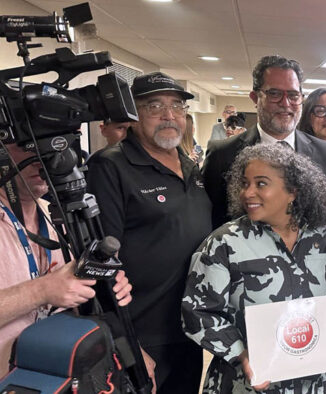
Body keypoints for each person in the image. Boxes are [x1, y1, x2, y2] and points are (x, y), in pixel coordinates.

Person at [182, 144, 326, 394]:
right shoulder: (224, 243)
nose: (248, 193)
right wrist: (241, 354)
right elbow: (197, 312)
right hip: (245, 384)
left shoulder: (325, 238)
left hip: (312, 383)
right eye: (244, 184)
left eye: (261, 184)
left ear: (293, 191)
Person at [86, 71, 212, 393]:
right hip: (142, 334)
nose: (169, 115)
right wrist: (128, 344)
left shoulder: (190, 167)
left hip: (187, 326)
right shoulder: (110, 166)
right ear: (134, 115)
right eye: (154, 106)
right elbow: (100, 264)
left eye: (177, 106)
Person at [0, 142, 134, 376]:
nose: (42, 159)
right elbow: (46, 290)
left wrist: (103, 285)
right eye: (26, 147)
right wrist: (40, 291)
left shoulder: (57, 216)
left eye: (51, 147)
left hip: (59, 375)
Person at [202, 55, 326, 229]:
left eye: (293, 95)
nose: (285, 103)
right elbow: (213, 218)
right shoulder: (222, 154)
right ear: (255, 98)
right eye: (274, 94)